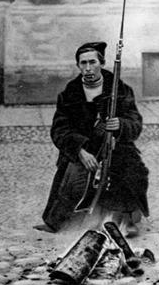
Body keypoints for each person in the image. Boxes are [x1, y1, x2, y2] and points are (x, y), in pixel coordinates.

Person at [37, 42, 149, 236]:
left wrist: (121, 125)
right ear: (78, 66)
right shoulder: (69, 94)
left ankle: (128, 219)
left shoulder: (120, 90)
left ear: (102, 63)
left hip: (116, 147)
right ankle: (57, 221)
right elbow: (59, 129)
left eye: (92, 62)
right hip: (84, 149)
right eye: (83, 63)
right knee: (71, 179)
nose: (88, 68)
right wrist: (79, 151)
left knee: (134, 172)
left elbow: (135, 122)